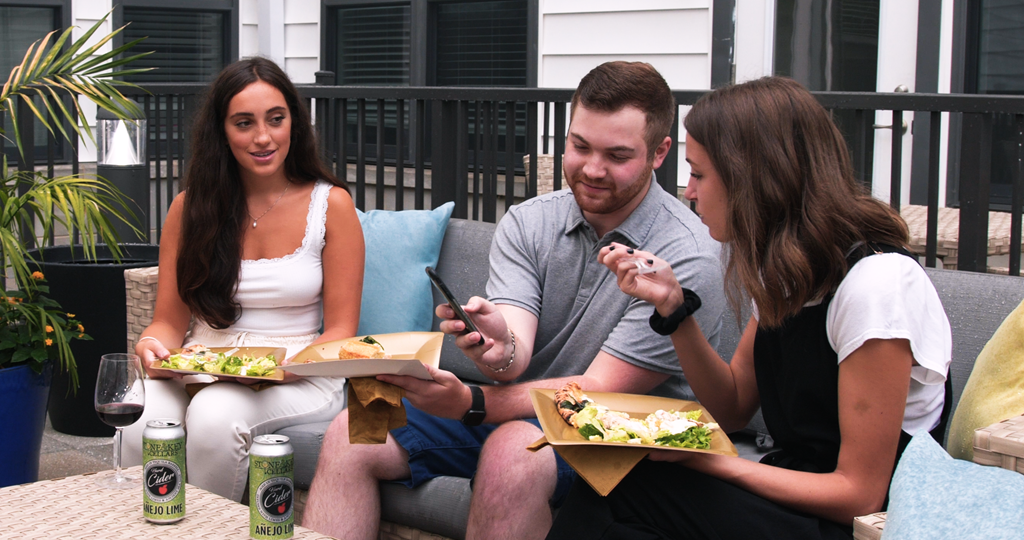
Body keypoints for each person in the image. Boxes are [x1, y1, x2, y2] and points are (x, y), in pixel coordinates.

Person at [303, 61, 725, 540]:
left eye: (617, 155)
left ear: (659, 152)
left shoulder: (684, 256)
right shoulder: (528, 222)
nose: (591, 169)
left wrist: (472, 401)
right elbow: (514, 352)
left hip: (627, 432)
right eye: (579, 146)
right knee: (353, 428)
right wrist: (499, 347)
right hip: (525, 410)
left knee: (511, 452)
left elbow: (596, 389)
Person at [546, 76, 954, 540]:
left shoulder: (876, 287)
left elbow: (860, 495)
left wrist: (715, 462)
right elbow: (734, 407)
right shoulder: (789, 271)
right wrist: (674, 311)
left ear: (751, 179)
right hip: (792, 492)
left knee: (621, 495)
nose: (690, 192)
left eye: (699, 173)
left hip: (864, 523)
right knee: (613, 497)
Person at [121, 57, 365, 503]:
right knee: (141, 418)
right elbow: (168, 323)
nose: (263, 137)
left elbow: (341, 332)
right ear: (222, 131)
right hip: (201, 364)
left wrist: (285, 369)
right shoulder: (189, 208)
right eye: (243, 123)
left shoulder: (332, 206)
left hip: (301, 372)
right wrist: (150, 346)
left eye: (276, 119)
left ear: (294, 121)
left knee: (216, 416)